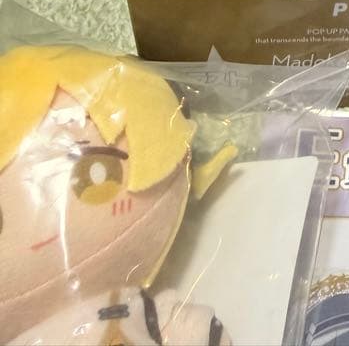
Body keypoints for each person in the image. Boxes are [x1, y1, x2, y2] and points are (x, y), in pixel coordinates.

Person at [0, 44, 233, 345]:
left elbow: (185, 329)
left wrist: (191, 329)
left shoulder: (133, 310)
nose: (43, 235)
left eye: (97, 173)